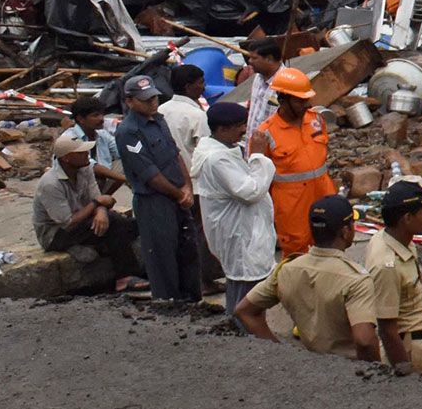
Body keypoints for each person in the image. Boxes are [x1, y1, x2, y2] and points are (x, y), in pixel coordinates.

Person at [239, 196, 380, 358]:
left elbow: (244, 311)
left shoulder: (287, 269)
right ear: (346, 232)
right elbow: (365, 341)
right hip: (350, 370)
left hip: (313, 362)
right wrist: (373, 376)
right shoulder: (357, 280)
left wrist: (281, 354)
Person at [115, 74, 200, 303]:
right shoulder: (128, 131)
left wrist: (187, 187)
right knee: (162, 256)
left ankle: (191, 299)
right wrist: (179, 194)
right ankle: (169, 303)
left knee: (187, 250)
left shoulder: (159, 120)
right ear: (130, 101)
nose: (152, 103)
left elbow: (175, 155)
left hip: (177, 196)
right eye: (146, 100)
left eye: (154, 98)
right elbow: (149, 174)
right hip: (154, 201)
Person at [194, 100, 276, 314]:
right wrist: (258, 155)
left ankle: (242, 331)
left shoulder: (226, 148)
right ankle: (241, 337)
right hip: (238, 236)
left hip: (243, 232)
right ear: (222, 129)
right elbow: (250, 191)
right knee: (244, 294)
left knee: (246, 290)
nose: (244, 130)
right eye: (239, 125)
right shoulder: (216, 159)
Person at [362, 179, 422, 378]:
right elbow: (387, 327)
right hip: (412, 350)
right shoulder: (387, 265)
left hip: (421, 342)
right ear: (407, 218)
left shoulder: (398, 239)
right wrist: (406, 373)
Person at [32, 127, 136, 280]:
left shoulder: (85, 169)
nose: (87, 154)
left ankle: (125, 273)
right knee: (116, 225)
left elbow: (96, 197)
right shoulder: (50, 183)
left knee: (123, 224)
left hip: (81, 220)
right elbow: (67, 223)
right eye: (81, 152)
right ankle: (125, 277)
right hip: (55, 233)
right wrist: (97, 204)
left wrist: (101, 211)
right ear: (66, 158)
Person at [258, 66, 336, 261]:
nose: (306, 105)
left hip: (324, 194)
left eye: (307, 99)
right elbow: (259, 179)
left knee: (332, 244)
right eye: (300, 101)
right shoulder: (265, 133)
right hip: (291, 204)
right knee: (296, 253)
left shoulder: (316, 119)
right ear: (282, 100)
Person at [159, 62, 211, 171]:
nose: (204, 86)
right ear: (188, 87)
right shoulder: (197, 115)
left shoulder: (160, 110)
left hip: (167, 175)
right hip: (192, 176)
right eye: (201, 83)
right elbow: (207, 153)